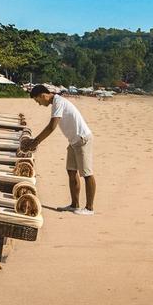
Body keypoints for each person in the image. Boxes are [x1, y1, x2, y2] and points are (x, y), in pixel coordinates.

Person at [23, 84, 96, 215]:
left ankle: (89, 208)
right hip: (73, 141)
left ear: (43, 95)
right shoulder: (56, 102)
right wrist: (35, 141)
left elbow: (52, 126)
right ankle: (74, 205)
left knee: (87, 173)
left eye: (38, 101)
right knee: (71, 171)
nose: (39, 104)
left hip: (82, 139)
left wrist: (36, 141)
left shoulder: (58, 101)